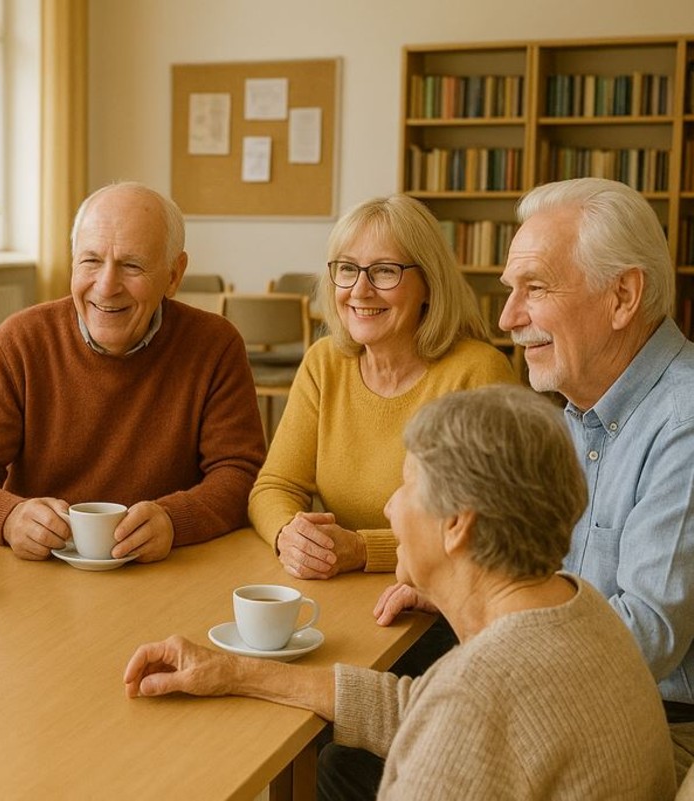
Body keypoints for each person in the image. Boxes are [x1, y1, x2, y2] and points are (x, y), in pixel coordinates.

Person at [125, 385, 676, 800]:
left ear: (458, 523)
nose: (390, 506)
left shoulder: (475, 699)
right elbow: (424, 711)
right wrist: (232, 672)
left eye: (408, 485)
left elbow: (457, 718)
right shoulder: (581, 608)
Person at [376, 177, 694, 792]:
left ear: (623, 295)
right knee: (354, 741)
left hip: (657, 723)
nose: (507, 318)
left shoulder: (684, 421)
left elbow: (648, 637)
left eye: (536, 288)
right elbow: (547, 574)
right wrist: (462, 583)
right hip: (572, 684)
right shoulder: (582, 405)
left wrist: (488, 612)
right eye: (510, 290)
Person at [0, 182, 266, 562]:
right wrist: (8, 517)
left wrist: (175, 521)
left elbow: (242, 474)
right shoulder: (20, 342)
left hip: (166, 568)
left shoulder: (215, 345)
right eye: (91, 261)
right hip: (42, 570)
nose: (106, 286)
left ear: (174, 275)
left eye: (132, 265)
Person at [248, 195, 515, 579]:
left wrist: (363, 549)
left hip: (441, 594)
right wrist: (290, 534)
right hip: (341, 586)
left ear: (429, 284)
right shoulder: (324, 362)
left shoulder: (478, 373)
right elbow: (275, 485)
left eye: (385, 271)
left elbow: (492, 523)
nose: (360, 290)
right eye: (347, 269)